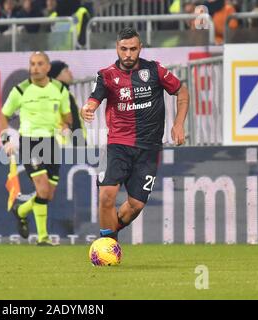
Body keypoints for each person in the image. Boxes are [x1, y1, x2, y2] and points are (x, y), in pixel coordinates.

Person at [81, 28, 189, 240]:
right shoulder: (106, 75)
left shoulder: (155, 70)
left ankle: (108, 236)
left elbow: (181, 91)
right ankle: (108, 246)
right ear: (117, 48)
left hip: (149, 148)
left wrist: (178, 124)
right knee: (106, 196)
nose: (128, 54)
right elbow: (94, 99)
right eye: (123, 49)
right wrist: (87, 108)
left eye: (132, 49)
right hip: (118, 145)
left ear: (140, 48)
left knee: (136, 205)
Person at [0, 52, 72, 246]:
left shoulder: (60, 89)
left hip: (51, 143)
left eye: (40, 64)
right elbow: (3, 116)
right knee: (42, 188)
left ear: (48, 67)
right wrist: (6, 140)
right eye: (32, 64)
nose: (35, 68)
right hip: (30, 142)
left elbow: (67, 117)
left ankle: (21, 211)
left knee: (48, 194)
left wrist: (65, 127)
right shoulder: (20, 91)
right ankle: (43, 238)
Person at [48, 60, 86, 147]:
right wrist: (82, 147)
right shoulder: (63, 95)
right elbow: (75, 123)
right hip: (65, 147)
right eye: (66, 71)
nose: (70, 73)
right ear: (57, 76)